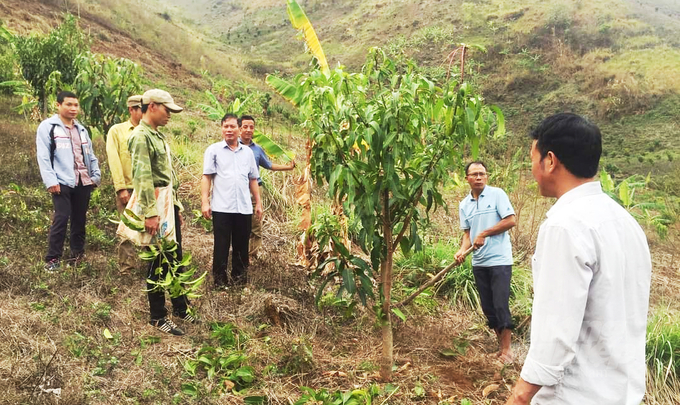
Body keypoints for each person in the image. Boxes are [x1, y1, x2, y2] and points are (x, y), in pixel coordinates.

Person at [506, 113, 651, 405]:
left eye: (531, 159)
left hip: (575, 395)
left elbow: (554, 337)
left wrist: (519, 397)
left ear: (550, 160)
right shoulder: (625, 222)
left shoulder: (565, 225)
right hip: (622, 393)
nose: (531, 169)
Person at [128, 89, 195, 335]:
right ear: (153, 106)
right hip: (154, 206)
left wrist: (175, 207)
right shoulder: (141, 136)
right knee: (158, 261)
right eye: (168, 110)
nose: (170, 115)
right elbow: (143, 178)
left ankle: (179, 305)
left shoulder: (157, 135)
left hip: (166, 204)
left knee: (174, 256)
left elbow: (167, 178)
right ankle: (158, 316)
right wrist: (150, 213)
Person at [454, 161, 516, 362]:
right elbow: (467, 235)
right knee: (488, 308)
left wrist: (485, 233)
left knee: (499, 303)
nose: (478, 177)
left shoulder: (497, 194)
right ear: (467, 179)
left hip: (499, 260)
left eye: (482, 174)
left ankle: (508, 351)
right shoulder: (464, 205)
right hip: (479, 263)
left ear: (487, 176)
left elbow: (510, 220)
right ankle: (501, 348)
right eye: (474, 174)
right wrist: (462, 251)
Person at [36, 91, 101, 271]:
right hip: (61, 181)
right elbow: (43, 157)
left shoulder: (81, 130)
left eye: (76, 105)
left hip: (83, 181)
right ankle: (52, 259)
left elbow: (90, 155)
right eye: (69, 105)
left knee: (79, 220)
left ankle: (77, 255)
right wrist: (50, 181)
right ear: (58, 105)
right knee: (62, 218)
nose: (73, 109)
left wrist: (95, 176)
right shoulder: (48, 127)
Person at [201, 113, 262, 289]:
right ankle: (220, 283)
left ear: (239, 129)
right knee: (221, 245)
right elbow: (207, 177)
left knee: (241, 246)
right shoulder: (213, 150)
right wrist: (205, 202)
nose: (229, 130)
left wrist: (257, 203)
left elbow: (253, 179)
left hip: (243, 207)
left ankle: (239, 281)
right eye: (226, 126)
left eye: (232, 126)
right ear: (221, 129)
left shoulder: (248, 153)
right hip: (222, 207)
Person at [238, 115, 295, 255]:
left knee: (255, 224)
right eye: (245, 126)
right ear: (239, 129)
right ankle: (239, 253)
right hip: (237, 189)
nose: (248, 130)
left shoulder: (257, 149)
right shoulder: (232, 146)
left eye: (251, 127)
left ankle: (252, 255)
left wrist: (287, 167)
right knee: (238, 223)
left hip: (254, 189)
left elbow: (269, 165)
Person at [106, 95, 143, 276]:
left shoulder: (151, 132)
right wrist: (121, 188)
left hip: (147, 190)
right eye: (141, 109)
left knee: (150, 228)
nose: (145, 114)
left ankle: (149, 267)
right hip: (128, 188)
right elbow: (114, 161)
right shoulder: (117, 131)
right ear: (131, 110)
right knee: (126, 230)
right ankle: (127, 269)